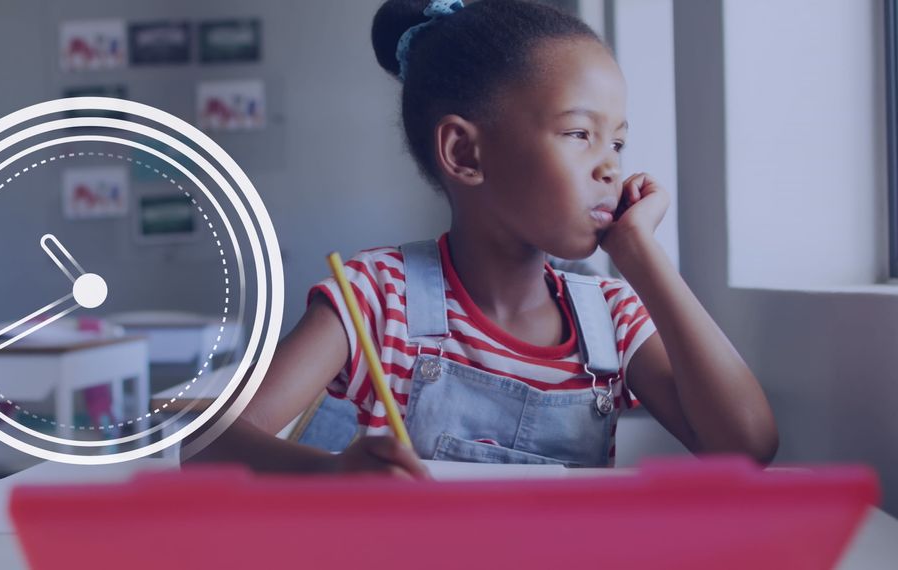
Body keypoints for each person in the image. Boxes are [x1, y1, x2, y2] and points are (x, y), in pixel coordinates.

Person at [187, 0, 777, 477]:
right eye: (579, 133)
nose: (610, 170)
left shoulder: (612, 317)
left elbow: (747, 445)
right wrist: (332, 477)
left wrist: (645, 260)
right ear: (465, 153)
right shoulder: (375, 298)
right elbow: (201, 439)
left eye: (617, 142)